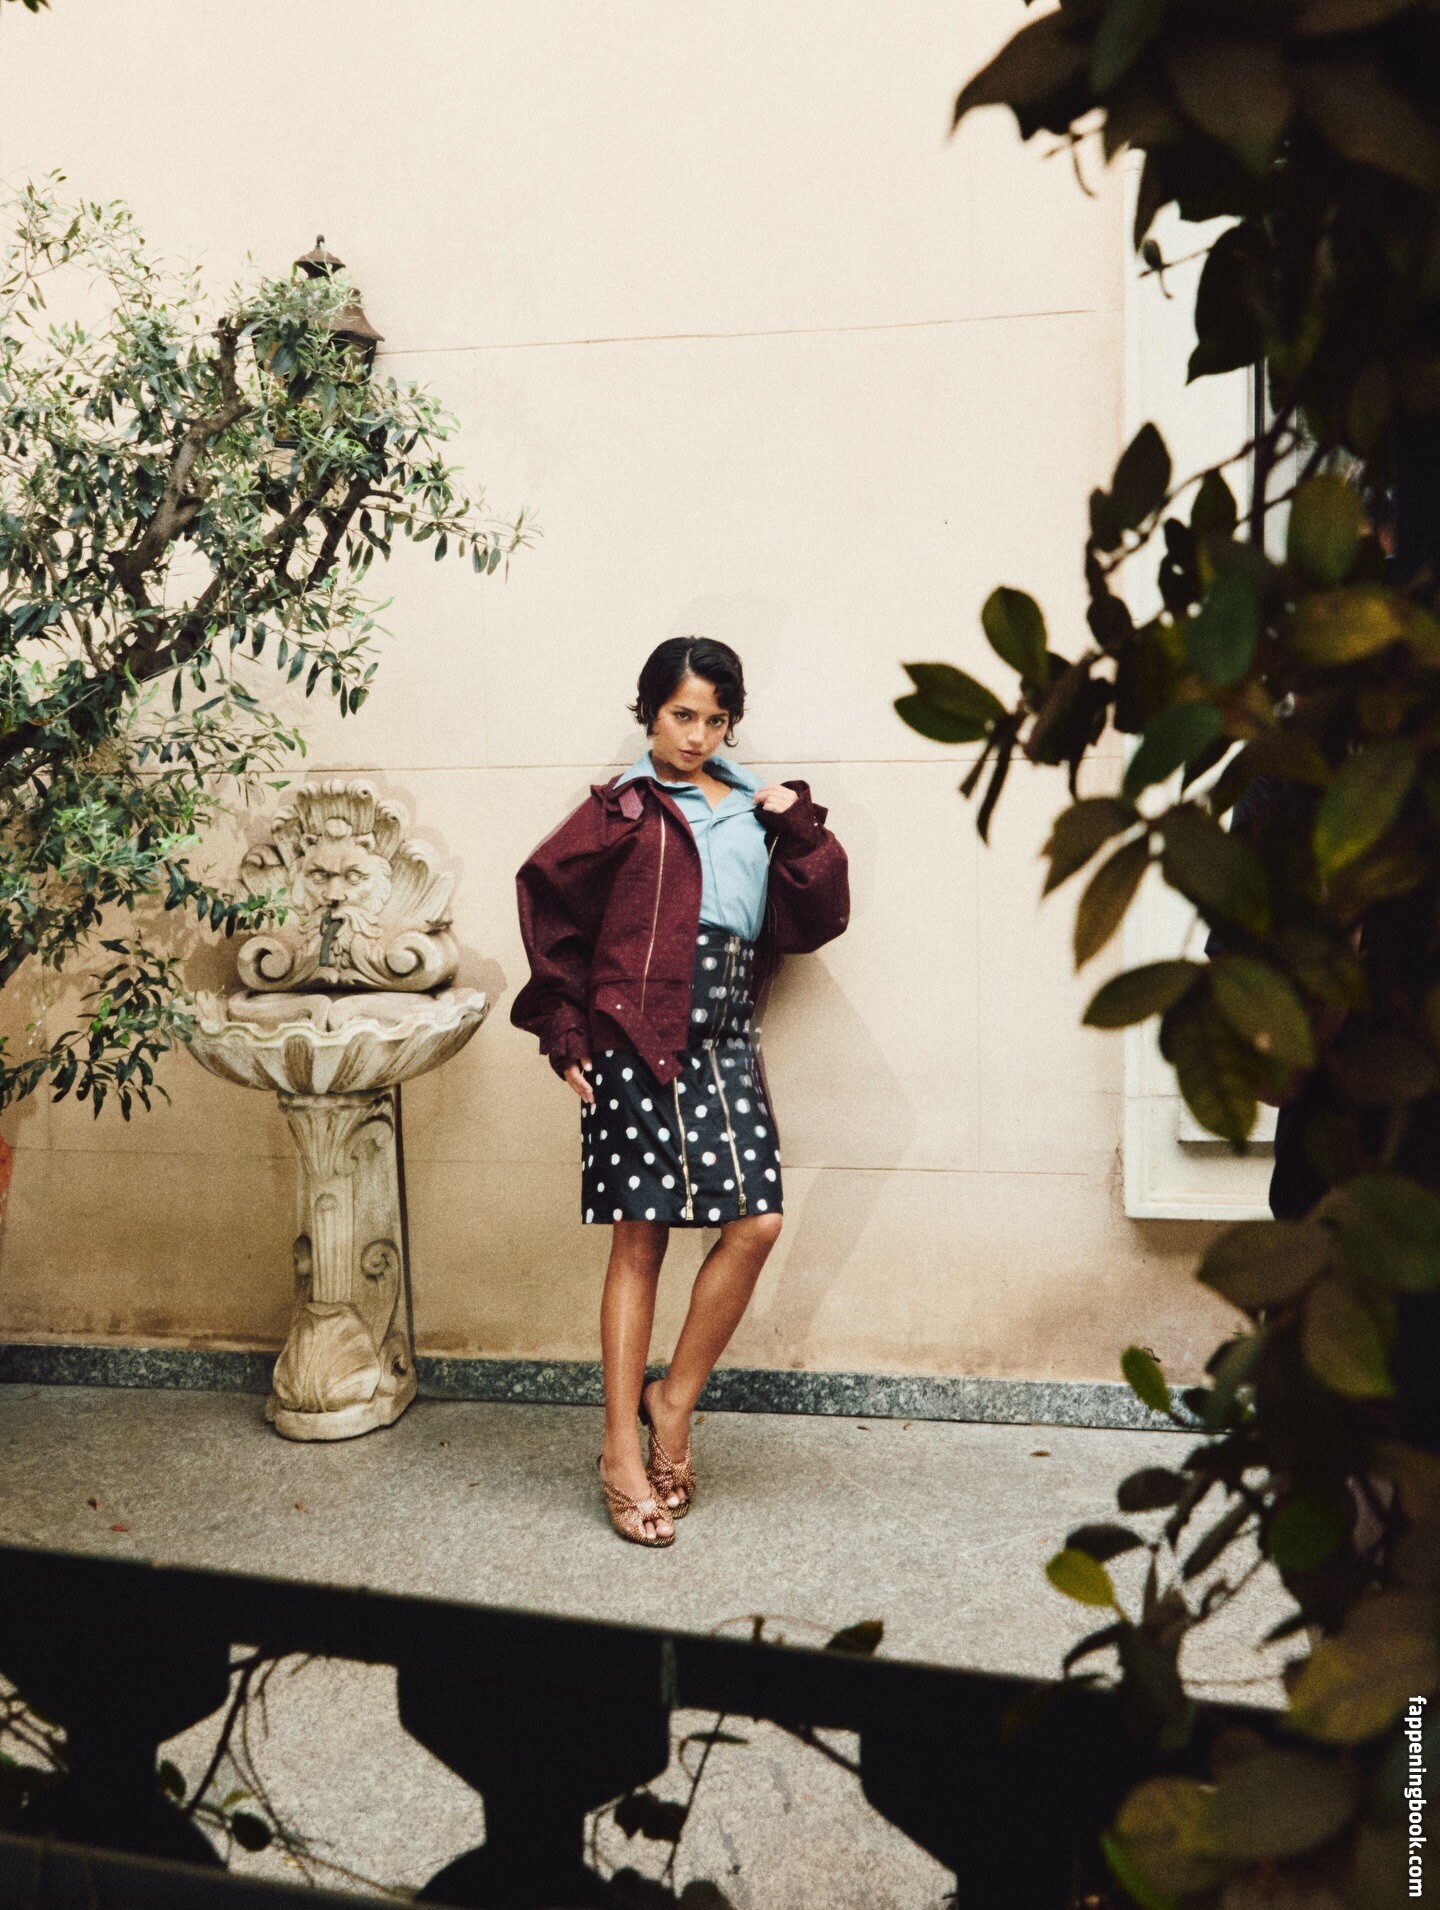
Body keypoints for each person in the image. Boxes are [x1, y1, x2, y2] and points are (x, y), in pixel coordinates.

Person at [511, 637, 850, 1544]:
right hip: (632, 1032)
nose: (697, 736)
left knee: (756, 1222)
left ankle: (673, 1401)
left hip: (727, 1031)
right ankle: (620, 1449)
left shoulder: (758, 809)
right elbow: (549, 911)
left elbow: (818, 920)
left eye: (715, 719)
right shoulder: (619, 812)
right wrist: (563, 1031)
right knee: (641, 1238)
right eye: (681, 715)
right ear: (650, 713)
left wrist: (801, 832)